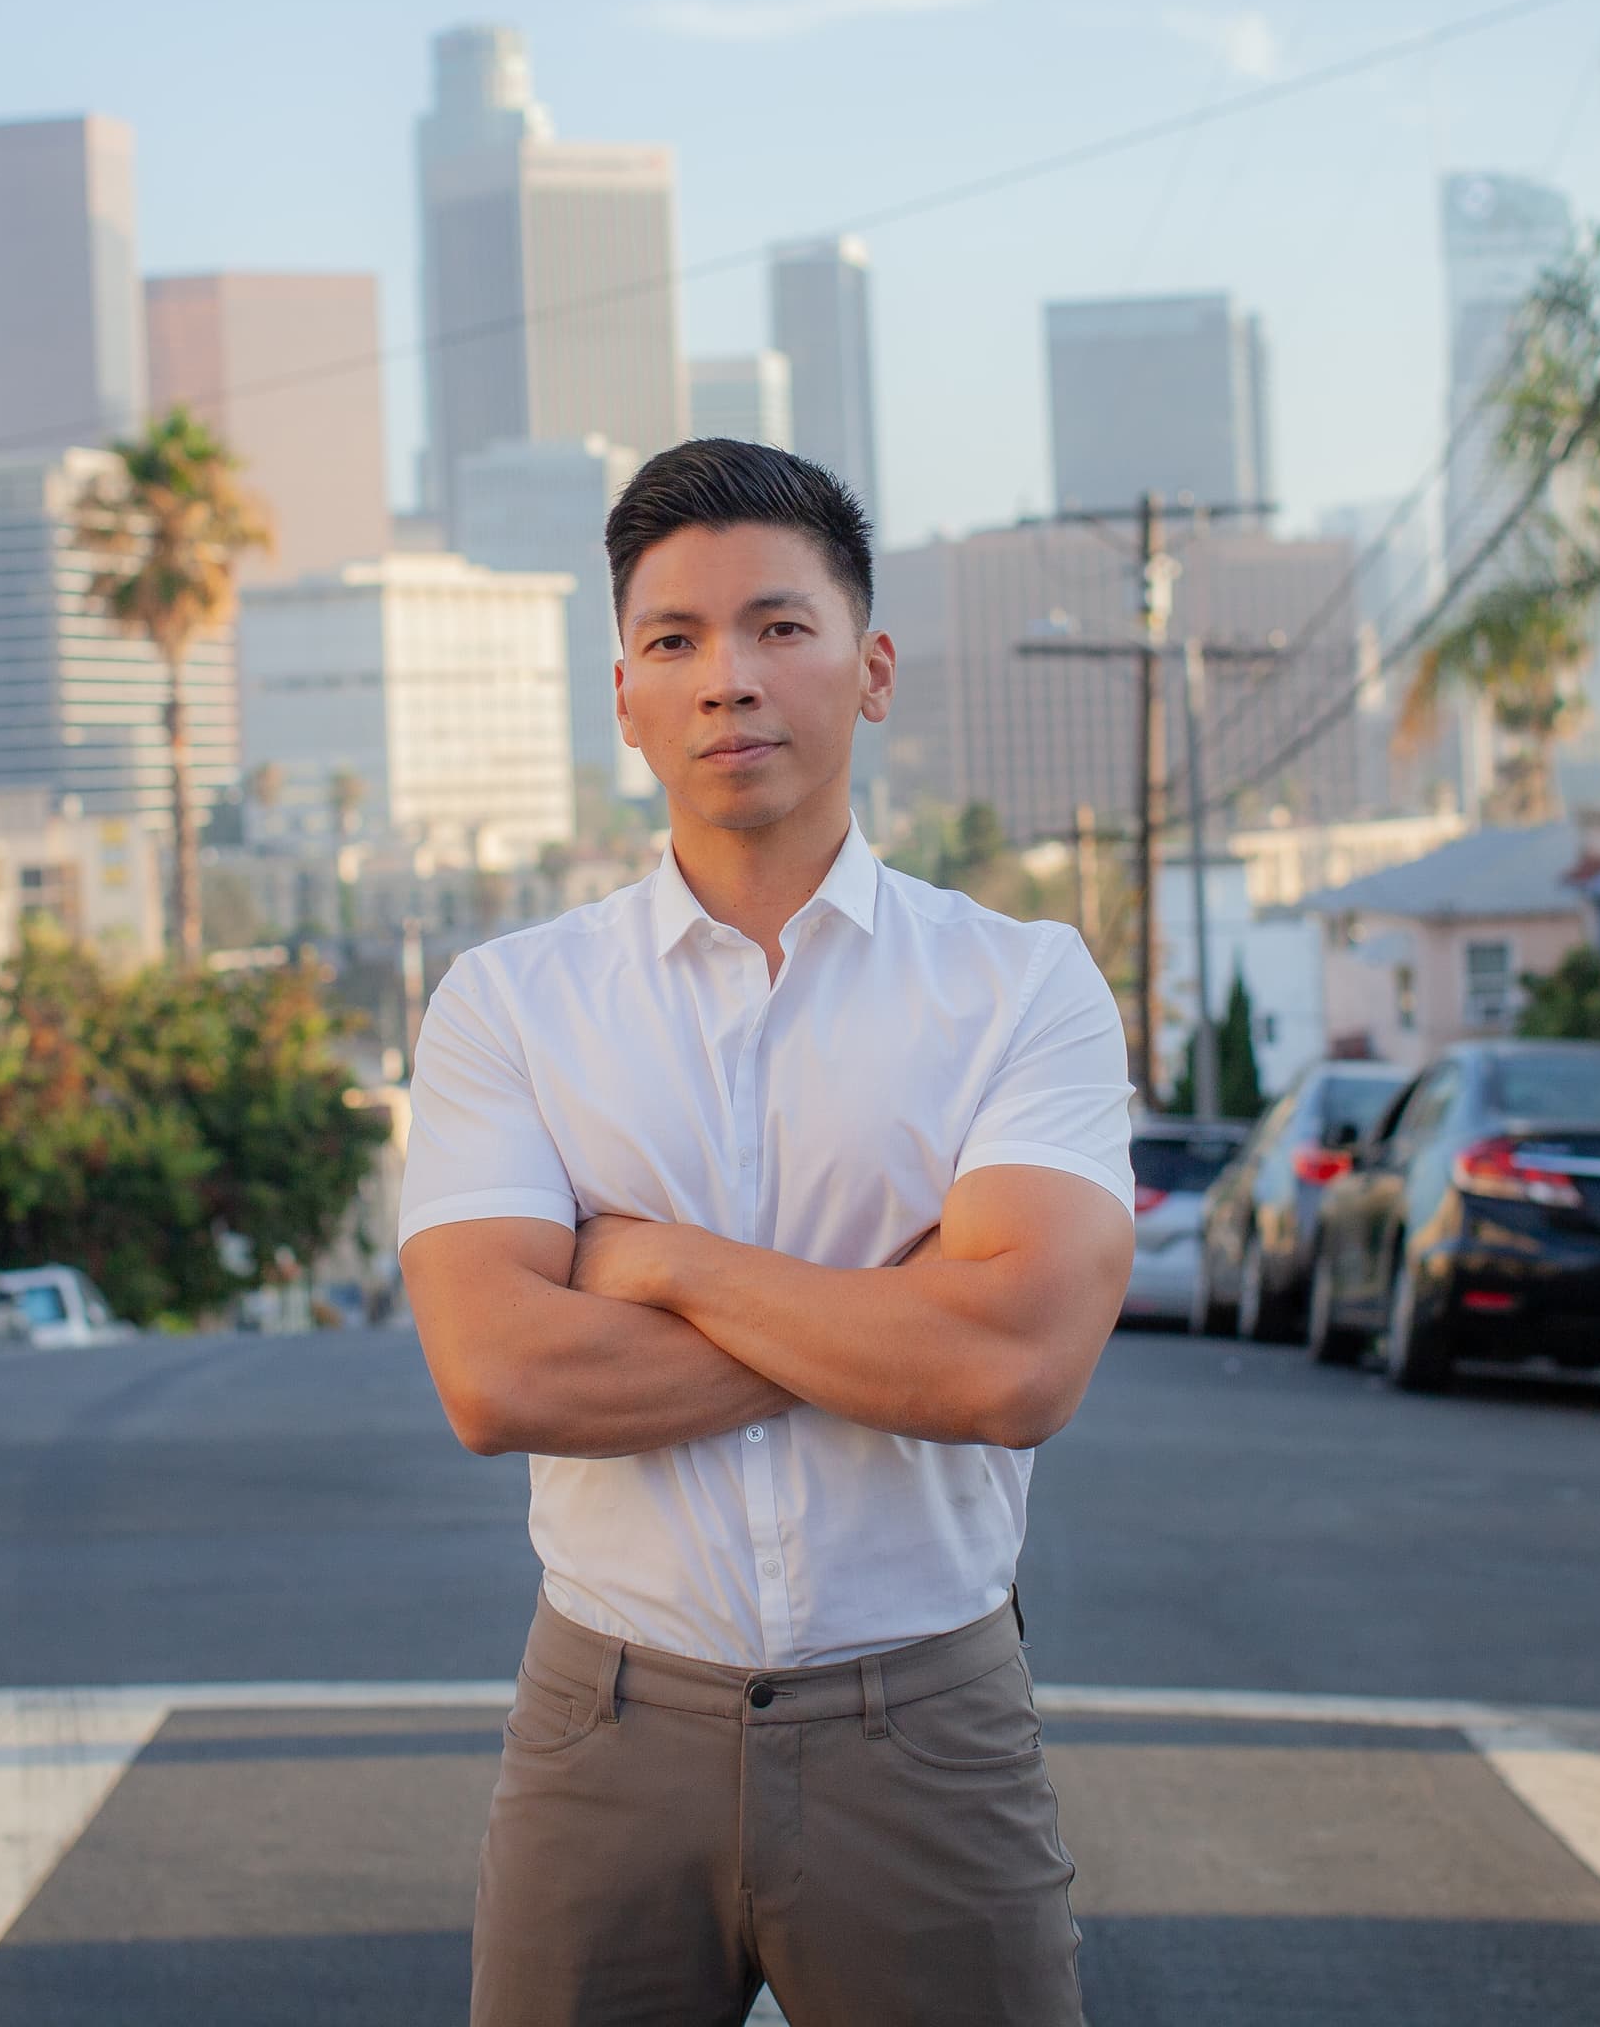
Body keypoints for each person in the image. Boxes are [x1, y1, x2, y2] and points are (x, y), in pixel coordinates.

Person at [399, 439, 1135, 2027]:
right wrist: (897, 1314)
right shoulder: (507, 1006)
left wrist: (657, 1262)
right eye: (676, 640)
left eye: (779, 628)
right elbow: (499, 1375)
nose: (728, 677)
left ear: (870, 670)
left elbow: (1013, 1369)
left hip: (927, 1724)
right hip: (601, 1723)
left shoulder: (1021, 985)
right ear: (624, 699)